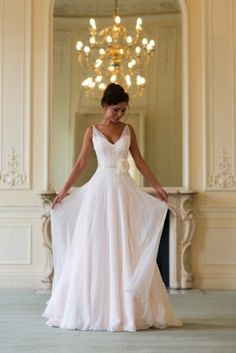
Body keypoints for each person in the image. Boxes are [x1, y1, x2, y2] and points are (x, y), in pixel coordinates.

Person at [42, 83, 183, 331]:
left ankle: (127, 309)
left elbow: (139, 160)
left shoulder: (129, 130)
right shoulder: (92, 131)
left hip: (122, 190)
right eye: (116, 109)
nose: (119, 115)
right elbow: (80, 163)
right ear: (105, 105)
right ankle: (92, 307)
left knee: (125, 243)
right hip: (99, 191)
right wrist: (64, 191)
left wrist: (157, 186)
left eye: (123, 111)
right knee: (93, 243)